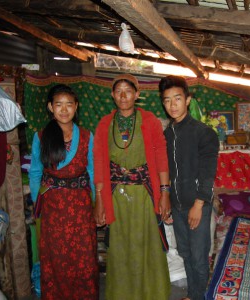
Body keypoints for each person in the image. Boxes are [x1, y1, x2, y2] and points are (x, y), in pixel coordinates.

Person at [93, 74, 171, 300]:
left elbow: (161, 158)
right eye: (119, 91)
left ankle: (152, 293)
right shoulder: (105, 124)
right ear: (112, 95)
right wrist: (99, 198)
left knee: (148, 243)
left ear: (137, 94)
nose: (124, 95)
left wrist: (164, 193)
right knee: (119, 246)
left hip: (145, 195)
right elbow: (99, 161)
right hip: (115, 196)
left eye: (129, 90)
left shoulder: (150, 120)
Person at [28, 84, 99, 299]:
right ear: (50, 107)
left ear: (76, 107)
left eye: (69, 104)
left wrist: (97, 204)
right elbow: (35, 173)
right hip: (52, 208)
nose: (64, 110)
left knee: (83, 257)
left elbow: (93, 172)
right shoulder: (40, 137)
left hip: (80, 208)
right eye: (59, 104)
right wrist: (37, 203)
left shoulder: (87, 137)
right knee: (56, 258)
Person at [159, 75, 219, 300]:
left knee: (199, 256)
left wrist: (199, 204)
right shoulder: (167, 135)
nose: (172, 105)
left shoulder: (203, 133)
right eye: (167, 100)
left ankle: (199, 296)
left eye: (177, 98)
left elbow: (207, 174)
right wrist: (169, 205)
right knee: (185, 253)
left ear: (188, 100)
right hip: (177, 205)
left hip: (197, 204)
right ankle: (195, 295)